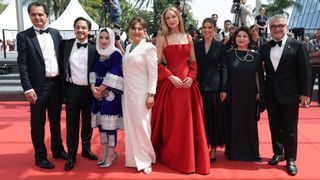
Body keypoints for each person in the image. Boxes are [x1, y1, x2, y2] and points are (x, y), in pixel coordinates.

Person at [151, 6, 210, 175]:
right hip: (172, 85)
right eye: (168, 18)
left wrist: (191, 77)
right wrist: (170, 77)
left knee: (189, 121)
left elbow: (193, 61)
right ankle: (174, 156)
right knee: (175, 122)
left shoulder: (188, 37)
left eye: (173, 17)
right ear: (165, 21)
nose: (171, 20)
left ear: (179, 18)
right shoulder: (162, 38)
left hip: (188, 86)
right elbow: (157, 63)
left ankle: (191, 158)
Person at [16, 2, 67, 169]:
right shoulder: (24, 36)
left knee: (55, 120)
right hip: (38, 87)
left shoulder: (55, 33)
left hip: (56, 85)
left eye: (41, 14)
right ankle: (40, 156)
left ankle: (57, 149)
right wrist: (27, 88)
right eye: (34, 14)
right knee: (37, 123)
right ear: (30, 16)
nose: (37, 17)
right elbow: (22, 64)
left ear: (47, 16)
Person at [259, 14, 311, 176]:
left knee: (289, 128)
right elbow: (260, 72)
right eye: (273, 26)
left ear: (286, 26)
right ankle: (277, 152)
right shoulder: (265, 47)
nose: (277, 29)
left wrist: (305, 93)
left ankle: (290, 159)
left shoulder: (298, 46)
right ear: (269, 28)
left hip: (290, 93)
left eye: (280, 25)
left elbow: (305, 71)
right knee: (274, 126)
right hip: (272, 93)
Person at [122, 16, 157, 175]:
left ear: (144, 31)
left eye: (140, 29)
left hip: (142, 92)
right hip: (128, 92)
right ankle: (132, 158)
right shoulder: (128, 47)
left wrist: (151, 94)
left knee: (142, 125)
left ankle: (146, 159)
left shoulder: (148, 48)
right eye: (134, 28)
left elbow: (153, 73)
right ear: (129, 30)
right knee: (130, 125)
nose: (136, 31)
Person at [62, 17, 98, 171]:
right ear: (74, 28)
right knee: (72, 124)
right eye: (78, 27)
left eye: (84, 28)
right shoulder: (65, 45)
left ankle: (86, 149)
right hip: (71, 90)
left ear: (88, 30)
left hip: (89, 91)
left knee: (88, 122)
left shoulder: (94, 47)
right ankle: (71, 155)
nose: (81, 30)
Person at [225, 26, 264, 162]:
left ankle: (251, 152)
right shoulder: (229, 54)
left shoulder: (256, 55)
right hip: (233, 93)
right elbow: (225, 74)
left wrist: (259, 92)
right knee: (234, 121)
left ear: (249, 39)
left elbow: (258, 75)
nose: (241, 39)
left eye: (244, 36)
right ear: (234, 39)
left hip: (250, 93)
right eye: (239, 36)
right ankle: (233, 152)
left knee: (249, 122)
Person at [194, 18, 228, 163]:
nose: (207, 30)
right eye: (204, 27)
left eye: (210, 27)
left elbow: (224, 68)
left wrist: (224, 89)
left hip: (215, 87)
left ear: (214, 29)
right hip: (198, 87)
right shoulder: (196, 45)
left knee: (213, 119)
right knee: (200, 118)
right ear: (201, 29)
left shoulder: (220, 46)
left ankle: (213, 148)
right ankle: (202, 146)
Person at [89, 28, 123, 168]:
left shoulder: (116, 54)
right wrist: (93, 88)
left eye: (106, 38)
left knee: (110, 127)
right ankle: (104, 154)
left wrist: (102, 88)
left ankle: (111, 154)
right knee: (100, 125)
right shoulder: (97, 53)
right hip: (96, 94)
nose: (103, 41)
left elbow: (115, 71)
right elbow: (92, 70)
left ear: (111, 39)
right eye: (101, 37)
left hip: (110, 95)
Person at [308, 28, 320, 105]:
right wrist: (315, 54)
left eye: (319, 33)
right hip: (312, 66)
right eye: (317, 33)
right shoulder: (310, 43)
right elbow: (306, 55)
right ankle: (307, 101)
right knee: (310, 84)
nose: (318, 35)